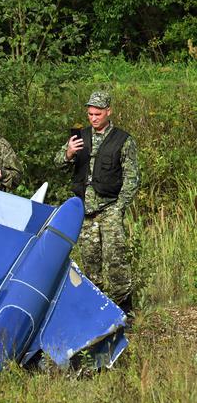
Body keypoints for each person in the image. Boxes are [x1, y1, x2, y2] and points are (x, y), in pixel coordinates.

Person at [54, 91, 140, 313]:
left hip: (110, 206)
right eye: (90, 113)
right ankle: (96, 309)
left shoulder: (123, 140)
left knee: (116, 259)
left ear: (108, 111)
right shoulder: (80, 136)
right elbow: (58, 165)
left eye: (98, 113)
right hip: (86, 209)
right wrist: (68, 153)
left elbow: (132, 178)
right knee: (90, 261)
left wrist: (120, 207)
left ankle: (125, 308)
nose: (93, 118)